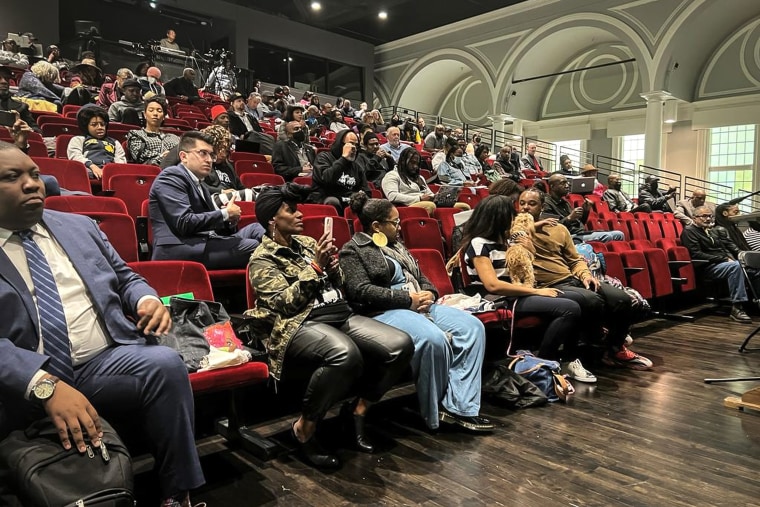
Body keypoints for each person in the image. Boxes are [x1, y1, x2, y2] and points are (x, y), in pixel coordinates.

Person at [0, 141, 205, 507]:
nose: (32, 184)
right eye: (12, 177)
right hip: (26, 380)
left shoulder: (80, 227)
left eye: (34, 174)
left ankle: (178, 492)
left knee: (165, 364)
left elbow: (126, 278)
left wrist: (147, 299)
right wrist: (45, 385)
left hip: (102, 361)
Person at [246, 184, 413, 467]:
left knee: (400, 345)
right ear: (272, 220)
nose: (300, 215)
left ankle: (358, 410)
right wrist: (314, 269)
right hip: (299, 323)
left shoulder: (309, 244)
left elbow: (343, 287)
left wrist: (333, 268)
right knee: (345, 353)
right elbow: (284, 304)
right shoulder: (261, 260)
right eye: (291, 210)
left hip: (339, 313)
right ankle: (305, 428)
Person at [342, 192, 495, 429]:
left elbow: (422, 277)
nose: (400, 227)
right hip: (383, 310)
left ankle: (460, 405)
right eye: (395, 223)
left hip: (419, 305)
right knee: (433, 339)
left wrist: (429, 293)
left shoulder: (397, 246)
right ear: (376, 226)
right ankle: (436, 412)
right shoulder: (353, 250)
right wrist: (406, 299)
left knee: (472, 327)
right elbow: (360, 291)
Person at [459, 195, 594, 382]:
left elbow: (523, 267)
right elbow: (493, 284)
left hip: (516, 293)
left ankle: (568, 359)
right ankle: (544, 363)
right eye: (510, 215)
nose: (514, 218)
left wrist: (529, 248)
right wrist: (536, 291)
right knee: (569, 308)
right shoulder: (479, 243)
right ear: (498, 217)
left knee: (579, 299)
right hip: (496, 298)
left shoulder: (508, 241)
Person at [518, 188, 653, 369]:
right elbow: (511, 238)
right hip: (548, 284)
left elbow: (575, 260)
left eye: (532, 204)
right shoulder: (514, 228)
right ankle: (592, 344)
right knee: (592, 300)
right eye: (522, 203)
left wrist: (586, 275)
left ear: (542, 207)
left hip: (571, 278)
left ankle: (614, 349)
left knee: (621, 299)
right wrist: (531, 228)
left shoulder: (558, 229)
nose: (526, 207)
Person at [149, 131, 265, 269]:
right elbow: (183, 222)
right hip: (181, 248)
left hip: (204, 242)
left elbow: (211, 225)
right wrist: (225, 214)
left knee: (257, 229)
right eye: (203, 153)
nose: (209, 160)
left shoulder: (201, 185)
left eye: (211, 155)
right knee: (255, 247)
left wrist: (229, 221)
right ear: (183, 156)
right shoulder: (170, 177)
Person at [681, 205, 760, 323]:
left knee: (754, 269)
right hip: (707, 267)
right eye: (704, 216)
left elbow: (726, 247)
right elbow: (696, 254)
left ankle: (754, 302)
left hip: (722, 264)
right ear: (694, 217)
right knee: (735, 267)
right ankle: (737, 308)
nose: (708, 219)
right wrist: (723, 259)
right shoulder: (689, 231)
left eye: (710, 216)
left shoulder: (711, 231)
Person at [542, 173, 624, 243]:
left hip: (579, 233)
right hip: (567, 237)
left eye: (567, 182)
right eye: (563, 183)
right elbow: (552, 228)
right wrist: (569, 218)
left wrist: (586, 211)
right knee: (607, 236)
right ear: (552, 186)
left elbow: (579, 223)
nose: (567, 185)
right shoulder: (546, 203)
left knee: (619, 234)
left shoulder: (565, 202)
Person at [311, 129, 370, 211]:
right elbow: (325, 179)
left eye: (356, 145)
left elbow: (366, 191)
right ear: (340, 144)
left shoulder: (356, 166)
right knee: (332, 201)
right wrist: (344, 159)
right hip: (327, 197)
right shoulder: (323, 157)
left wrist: (362, 195)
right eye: (350, 144)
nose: (354, 148)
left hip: (351, 200)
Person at [67, 105, 127, 179]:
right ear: (86, 126)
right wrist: (92, 166)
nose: (100, 127)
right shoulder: (78, 139)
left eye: (102, 124)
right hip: (87, 168)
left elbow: (121, 160)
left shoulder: (115, 142)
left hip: (110, 171)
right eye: (94, 125)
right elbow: (75, 156)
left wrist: (110, 171)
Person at [126, 97, 180, 166]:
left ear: (163, 117)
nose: (155, 114)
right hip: (150, 172)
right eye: (151, 110)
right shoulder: (136, 134)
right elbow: (140, 157)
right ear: (145, 115)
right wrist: (165, 156)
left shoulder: (173, 137)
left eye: (159, 111)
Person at [0, 65, 40, 133]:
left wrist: (29, 130)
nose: (4, 81)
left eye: (7, 78)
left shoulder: (21, 107)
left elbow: (37, 131)